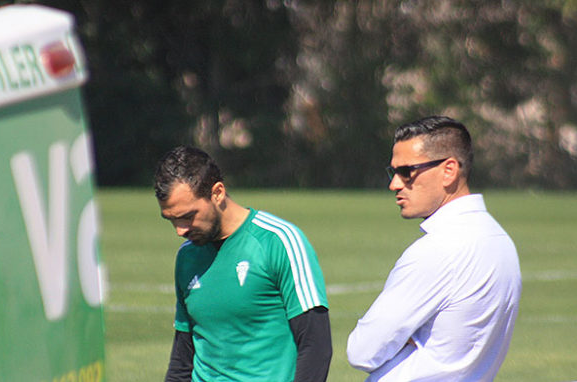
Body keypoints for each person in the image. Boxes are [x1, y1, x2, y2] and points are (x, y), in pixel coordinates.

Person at [346, 116, 522, 381]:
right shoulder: (500, 240)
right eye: (392, 172)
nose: (394, 184)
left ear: (449, 170)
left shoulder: (437, 249)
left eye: (407, 172)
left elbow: (361, 351)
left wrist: (408, 340)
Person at [154, 146, 332, 382]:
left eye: (188, 216)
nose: (180, 230)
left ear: (217, 193)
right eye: (171, 220)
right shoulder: (187, 256)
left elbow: (316, 346)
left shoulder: (279, 241)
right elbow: (182, 356)